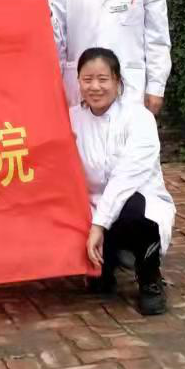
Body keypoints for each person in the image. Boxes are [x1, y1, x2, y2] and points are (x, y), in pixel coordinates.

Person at [70, 47, 175, 316]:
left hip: (134, 203)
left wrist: (99, 225)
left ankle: (149, 277)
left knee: (132, 209)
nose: (95, 87)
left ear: (117, 81)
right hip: (91, 206)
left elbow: (126, 178)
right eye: (87, 79)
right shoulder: (71, 119)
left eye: (103, 79)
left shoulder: (139, 118)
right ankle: (105, 263)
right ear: (78, 81)